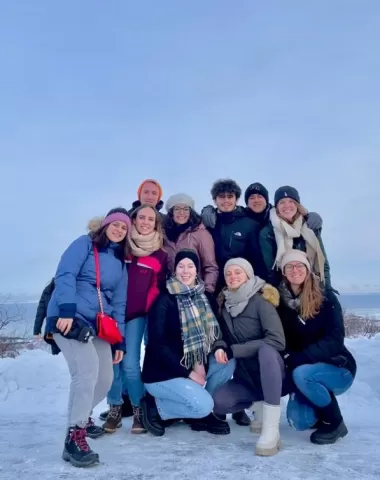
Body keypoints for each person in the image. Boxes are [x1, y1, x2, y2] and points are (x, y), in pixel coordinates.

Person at [45, 209, 130, 468]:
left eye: (124, 227)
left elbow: (119, 302)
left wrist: (120, 340)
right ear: (104, 226)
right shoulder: (84, 244)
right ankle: (74, 436)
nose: (118, 229)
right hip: (68, 317)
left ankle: (82, 416)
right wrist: (67, 310)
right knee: (87, 372)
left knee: (105, 379)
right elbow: (65, 275)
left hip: (98, 325)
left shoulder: (120, 262)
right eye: (114, 224)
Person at [141, 249, 235, 437]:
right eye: (181, 266)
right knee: (203, 405)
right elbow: (157, 346)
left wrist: (218, 347)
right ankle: (157, 407)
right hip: (163, 374)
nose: (185, 271)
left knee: (228, 362)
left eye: (190, 266)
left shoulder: (206, 297)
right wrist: (189, 373)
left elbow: (220, 332)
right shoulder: (164, 300)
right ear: (174, 270)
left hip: (196, 365)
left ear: (197, 270)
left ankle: (195, 409)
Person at [277, 250, 357, 445]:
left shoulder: (326, 297)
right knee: (299, 421)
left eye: (299, 266)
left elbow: (335, 339)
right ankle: (319, 408)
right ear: (283, 271)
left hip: (337, 367)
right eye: (289, 266)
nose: (295, 270)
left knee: (303, 374)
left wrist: (300, 358)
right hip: (301, 368)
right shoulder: (280, 302)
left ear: (308, 269)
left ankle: (335, 422)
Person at [102, 204, 168, 434]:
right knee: (113, 364)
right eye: (142, 218)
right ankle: (115, 408)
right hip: (111, 316)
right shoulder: (121, 247)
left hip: (136, 316)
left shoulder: (160, 254)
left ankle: (138, 409)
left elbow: (156, 287)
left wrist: (143, 307)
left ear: (156, 224)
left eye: (151, 219)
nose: (146, 222)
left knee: (130, 364)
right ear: (134, 220)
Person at [212, 258, 286, 456]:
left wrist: (235, 351)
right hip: (247, 378)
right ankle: (258, 405)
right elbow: (220, 335)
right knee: (218, 402)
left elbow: (277, 341)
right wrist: (220, 346)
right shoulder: (225, 304)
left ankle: (271, 430)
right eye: (229, 273)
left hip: (271, 371)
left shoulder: (261, 301)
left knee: (266, 350)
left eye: (238, 272)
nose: (233, 276)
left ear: (248, 275)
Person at [260, 185, 331, 289]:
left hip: (312, 285)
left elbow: (322, 263)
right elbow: (271, 270)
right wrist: (286, 295)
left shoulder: (310, 226)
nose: (287, 206)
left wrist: (327, 288)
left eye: (291, 201)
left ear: (297, 204)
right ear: (276, 207)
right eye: (282, 202)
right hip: (285, 288)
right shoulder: (268, 233)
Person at [164, 193, 218, 293]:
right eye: (177, 209)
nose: (181, 212)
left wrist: (208, 291)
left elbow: (210, 267)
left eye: (185, 209)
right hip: (170, 290)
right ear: (171, 212)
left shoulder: (200, 233)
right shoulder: (165, 235)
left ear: (190, 212)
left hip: (195, 290)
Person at [244, 182, 323, 231]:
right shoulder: (241, 216)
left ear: (266, 200)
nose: (256, 200)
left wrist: (311, 216)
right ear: (247, 202)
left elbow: (296, 215)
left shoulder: (278, 213)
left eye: (260, 196)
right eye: (252, 198)